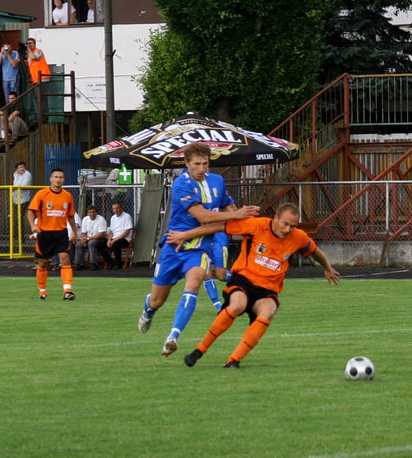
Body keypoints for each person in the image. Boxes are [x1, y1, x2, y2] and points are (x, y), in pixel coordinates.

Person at [164, 202, 340, 369]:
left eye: (293, 226)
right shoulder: (257, 225)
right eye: (285, 224)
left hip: (268, 289)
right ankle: (199, 350)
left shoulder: (298, 237)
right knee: (238, 305)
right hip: (244, 280)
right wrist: (185, 235)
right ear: (276, 218)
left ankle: (233, 360)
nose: (288, 230)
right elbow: (219, 227)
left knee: (268, 311)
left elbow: (315, 252)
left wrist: (328, 268)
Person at [137, 142, 261, 357]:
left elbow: (228, 207)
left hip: (200, 248)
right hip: (174, 247)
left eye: (205, 163)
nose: (202, 168)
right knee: (158, 300)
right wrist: (236, 215)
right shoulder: (181, 184)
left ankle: (173, 337)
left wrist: (246, 221)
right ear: (186, 164)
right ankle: (149, 310)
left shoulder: (217, 181)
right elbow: (203, 216)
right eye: (197, 164)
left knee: (194, 282)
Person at [27, 168, 77, 300]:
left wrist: (75, 233)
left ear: (63, 179)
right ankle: (42, 291)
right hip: (45, 234)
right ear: (51, 179)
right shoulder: (42, 194)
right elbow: (30, 211)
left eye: (61, 177)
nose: (58, 180)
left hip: (61, 233)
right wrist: (33, 226)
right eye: (56, 177)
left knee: (65, 258)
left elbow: (71, 217)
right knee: (43, 263)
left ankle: (67, 291)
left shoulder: (67, 196)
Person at [75, 205, 109, 270]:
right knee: (79, 244)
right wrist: (83, 239)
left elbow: (101, 234)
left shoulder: (101, 219)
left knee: (92, 243)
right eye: (90, 212)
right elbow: (83, 233)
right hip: (89, 239)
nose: (92, 214)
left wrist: (88, 239)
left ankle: (94, 263)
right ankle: (79, 264)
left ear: (96, 212)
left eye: (93, 212)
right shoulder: (85, 219)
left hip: (101, 239)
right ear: (87, 213)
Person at [106, 201, 133, 269]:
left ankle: (118, 264)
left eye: (117, 208)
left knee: (115, 244)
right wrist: (109, 240)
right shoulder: (113, 217)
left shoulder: (127, 216)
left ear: (121, 208)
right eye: (114, 208)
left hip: (125, 238)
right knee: (99, 244)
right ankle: (111, 262)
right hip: (114, 238)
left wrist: (113, 241)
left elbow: (126, 232)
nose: (115, 210)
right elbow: (111, 231)